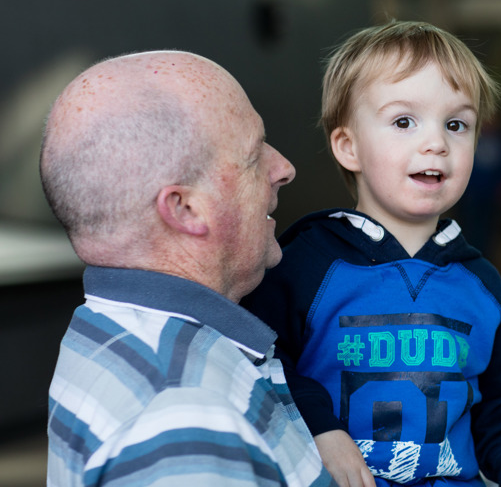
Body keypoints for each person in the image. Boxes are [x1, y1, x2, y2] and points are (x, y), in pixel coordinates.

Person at [242, 21, 501, 487]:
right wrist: (322, 429)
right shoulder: (304, 263)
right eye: (404, 121)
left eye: (456, 124)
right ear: (348, 147)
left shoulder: (480, 282)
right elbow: (259, 365)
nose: (436, 143)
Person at [41, 51, 334, 487]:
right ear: (185, 208)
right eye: (254, 156)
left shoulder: (106, 326)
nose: (284, 168)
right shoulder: (187, 428)